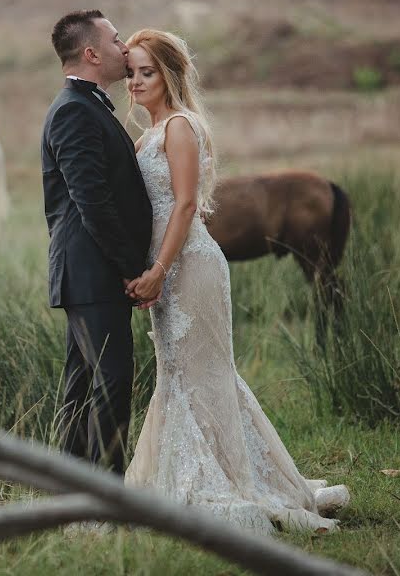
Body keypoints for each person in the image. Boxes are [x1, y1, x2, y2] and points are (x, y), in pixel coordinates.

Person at [121, 28, 349, 532]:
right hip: (165, 269)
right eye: (131, 71)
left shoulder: (180, 126)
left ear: (169, 74)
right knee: (176, 374)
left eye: (147, 71)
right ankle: (182, 471)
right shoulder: (147, 134)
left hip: (190, 268)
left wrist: (158, 270)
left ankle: (230, 481)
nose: (135, 81)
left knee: (204, 373)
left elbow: (183, 204)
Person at [41, 10, 153, 476]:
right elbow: (92, 203)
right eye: (114, 39)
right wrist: (133, 267)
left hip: (92, 270)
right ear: (91, 53)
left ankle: (71, 489)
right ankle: (104, 495)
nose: (123, 46)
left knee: (84, 381)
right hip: (92, 271)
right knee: (111, 382)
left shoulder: (89, 106)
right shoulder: (73, 111)